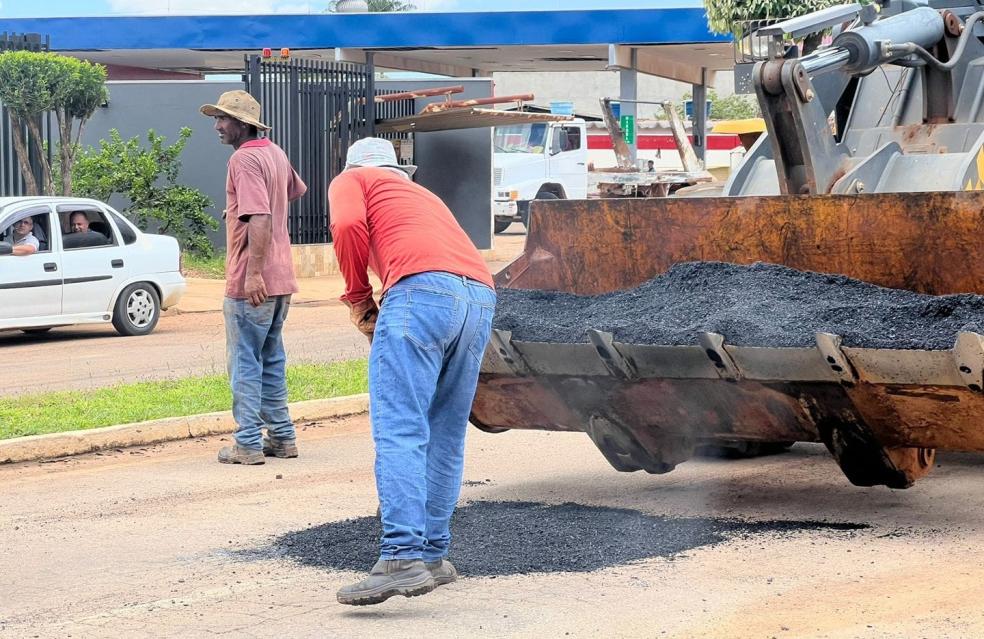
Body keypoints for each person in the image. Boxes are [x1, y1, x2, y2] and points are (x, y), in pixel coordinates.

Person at [328, 137, 496, 606]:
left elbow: (345, 224)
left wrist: (359, 296)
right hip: (479, 298)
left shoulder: (353, 178)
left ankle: (402, 557)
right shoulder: (421, 194)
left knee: (400, 427)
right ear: (402, 170)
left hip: (421, 292)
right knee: (445, 433)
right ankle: (434, 556)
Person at [200, 89, 307, 466]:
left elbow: (259, 216)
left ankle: (247, 443)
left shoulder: (243, 161)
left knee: (245, 361)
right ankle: (282, 438)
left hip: (253, 281)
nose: (217, 126)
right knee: (271, 359)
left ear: (243, 125)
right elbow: (296, 190)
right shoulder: (274, 152)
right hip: (282, 279)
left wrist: (253, 273)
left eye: (223, 119)